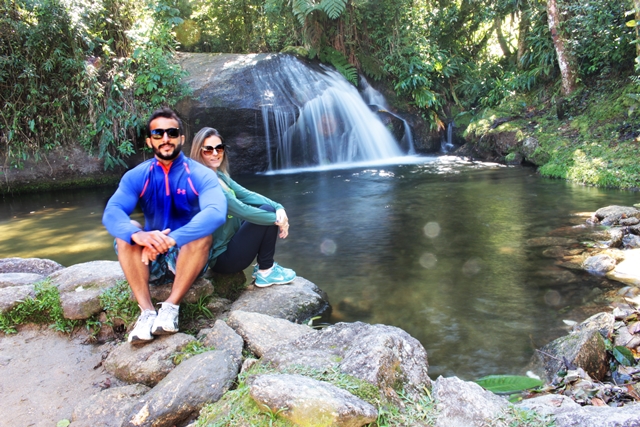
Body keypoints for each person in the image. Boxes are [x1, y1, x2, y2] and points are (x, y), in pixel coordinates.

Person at [102, 108, 227, 344]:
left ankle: (171, 307)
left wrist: (171, 239)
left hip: (186, 259)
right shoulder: (137, 176)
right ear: (149, 141)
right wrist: (139, 236)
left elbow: (215, 212)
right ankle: (147, 312)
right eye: (158, 134)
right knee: (128, 228)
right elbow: (112, 212)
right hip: (149, 261)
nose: (165, 139)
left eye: (172, 133)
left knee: (202, 235)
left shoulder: (200, 174)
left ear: (182, 138)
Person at [189, 127, 296, 287]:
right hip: (222, 258)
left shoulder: (218, 175)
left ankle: (265, 267)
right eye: (208, 150)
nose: (215, 153)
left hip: (229, 241)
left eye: (219, 148)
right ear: (199, 152)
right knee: (267, 215)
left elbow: (247, 195)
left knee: (268, 208)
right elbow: (243, 210)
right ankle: (266, 271)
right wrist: (279, 220)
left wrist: (279, 207)